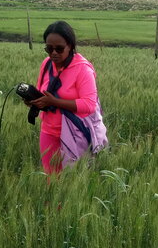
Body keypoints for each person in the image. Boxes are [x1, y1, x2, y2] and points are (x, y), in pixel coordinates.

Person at [25, 21, 107, 174]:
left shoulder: (82, 69)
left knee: (73, 182)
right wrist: (34, 102)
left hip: (75, 134)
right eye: (49, 49)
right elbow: (42, 92)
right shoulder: (47, 64)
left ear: (70, 45)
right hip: (48, 132)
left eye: (59, 48)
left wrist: (54, 102)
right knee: (51, 180)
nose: (54, 53)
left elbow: (89, 105)